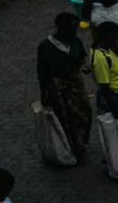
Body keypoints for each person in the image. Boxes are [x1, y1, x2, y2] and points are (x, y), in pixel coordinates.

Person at [36, 11, 93, 164]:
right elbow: (42, 72)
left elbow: (81, 59)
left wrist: (84, 67)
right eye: (72, 28)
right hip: (57, 87)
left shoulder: (75, 41)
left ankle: (81, 142)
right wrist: (44, 94)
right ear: (60, 27)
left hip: (75, 84)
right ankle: (73, 148)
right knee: (66, 117)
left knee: (85, 113)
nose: (75, 31)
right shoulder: (45, 47)